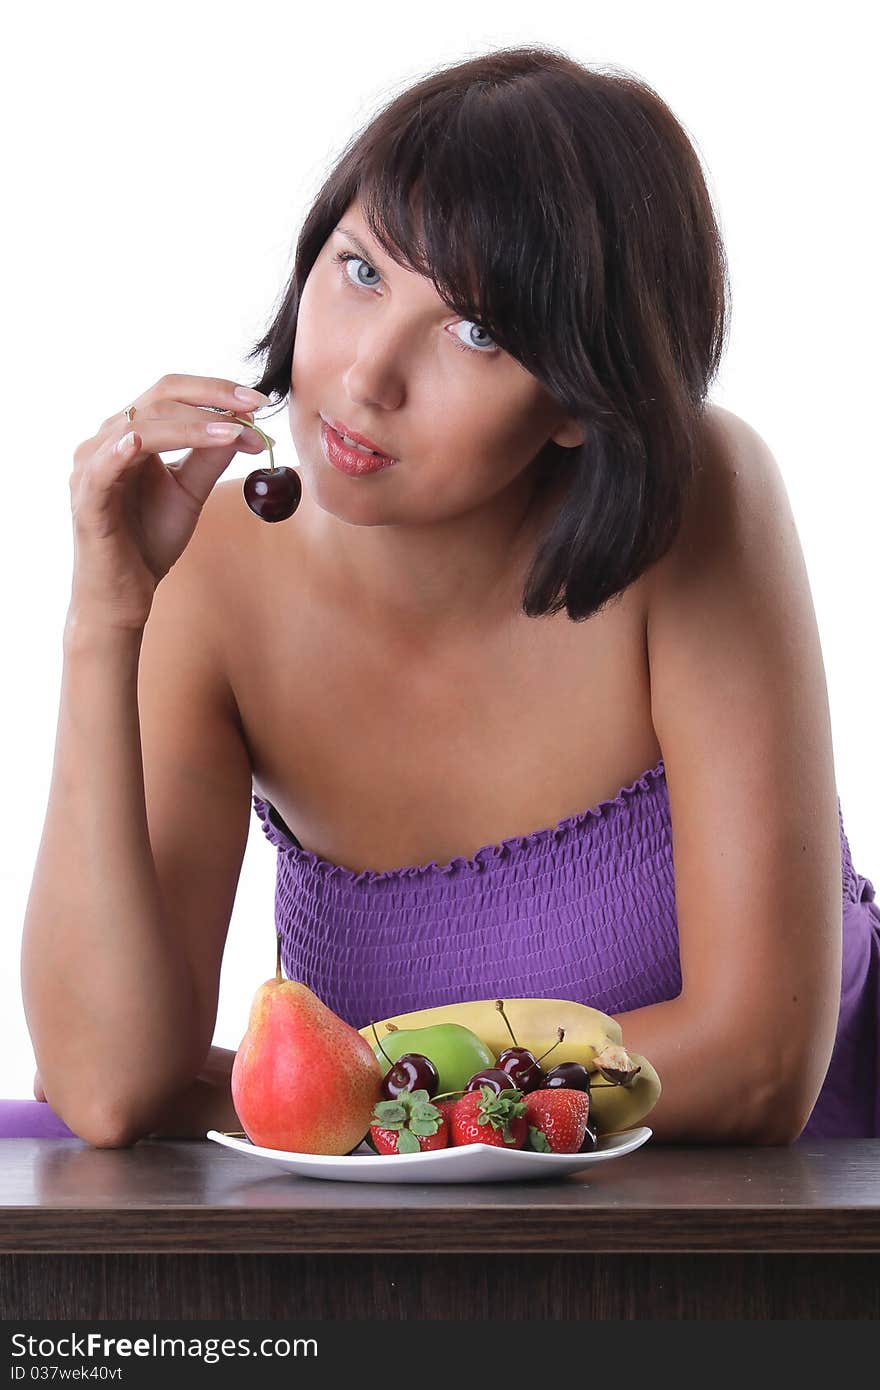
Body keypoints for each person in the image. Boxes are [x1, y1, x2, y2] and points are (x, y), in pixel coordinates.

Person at [10, 45, 878, 1148]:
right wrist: (103, 619)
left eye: (477, 331)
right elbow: (106, 1086)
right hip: (428, 1236)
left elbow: (756, 1066)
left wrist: (341, 1107)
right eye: (361, 269)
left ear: (580, 395)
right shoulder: (215, 577)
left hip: (788, 1211)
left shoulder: (695, 505)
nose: (367, 374)